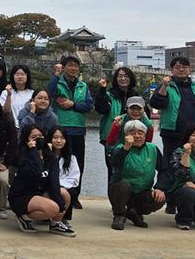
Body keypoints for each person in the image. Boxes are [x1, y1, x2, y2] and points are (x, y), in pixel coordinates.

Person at [149, 56, 195, 198]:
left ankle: (194, 197)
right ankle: (170, 200)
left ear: (190, 69)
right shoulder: (167, 86)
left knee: (194, 166)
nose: (181, 69)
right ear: (172, 70)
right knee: (171, 167)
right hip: (172, 134)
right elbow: (157, 104)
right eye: (177, 67)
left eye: (184, 66)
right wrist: (164, 86)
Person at [45, 56, 93, 209]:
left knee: (78, 163)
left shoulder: (83, 86)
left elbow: (89, 106)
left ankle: (74, 196)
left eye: (76, 66)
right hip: (60, 128)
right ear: (64, 67)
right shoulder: (57, 82)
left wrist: (73, 105)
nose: (73, 69)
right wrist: (56, 75)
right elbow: (49, 94)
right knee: (56, 161)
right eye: (70, 65)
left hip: (78, 129)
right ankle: (55, 191)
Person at [10, 125, 73, 235]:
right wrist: (33, 151)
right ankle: (24, 217)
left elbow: (54, 180)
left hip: (40, 191)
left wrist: (60, 202)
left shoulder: (50, 156)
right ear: (27, 140)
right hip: (23, 195)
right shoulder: (23, 156)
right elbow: (37, 172)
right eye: (33, 137)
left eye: (40, 136)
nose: (38, 139)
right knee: (53, 209)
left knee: (64, 195)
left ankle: (55, 224)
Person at [108, 120, 166, 231]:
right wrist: (126, 148)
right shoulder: (120, 148)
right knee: (123, 185)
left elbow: (164, 170)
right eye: (132, 133)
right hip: (121, 192)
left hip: (142, 192)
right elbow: (114, 163)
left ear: (145, 135)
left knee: (160, 198)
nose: (137, 136)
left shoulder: (153, 149)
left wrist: (159, 188)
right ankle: (119, 215)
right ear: (126, 135)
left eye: (140, 133)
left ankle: (135, 212)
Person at [94, 66, 139, 181]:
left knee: (132, 170)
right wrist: (102, 90)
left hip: (133, 138)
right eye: (120, 76)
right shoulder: (109, 95)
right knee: (113, 171)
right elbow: (101, 109)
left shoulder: (136, 96)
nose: (123, 78)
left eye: (126, 76)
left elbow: (144, 117)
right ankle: (113, 197)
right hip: (112, 139)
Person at [48, 126, 80, 225]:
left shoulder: (71, 158)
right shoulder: (43, 156)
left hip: (64, 187)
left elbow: (74, 179)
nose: (59, 141)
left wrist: (59, 185)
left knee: (71, 192)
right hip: (47, 187)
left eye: (62, 138)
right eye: (55, 137)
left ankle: (62, 217)